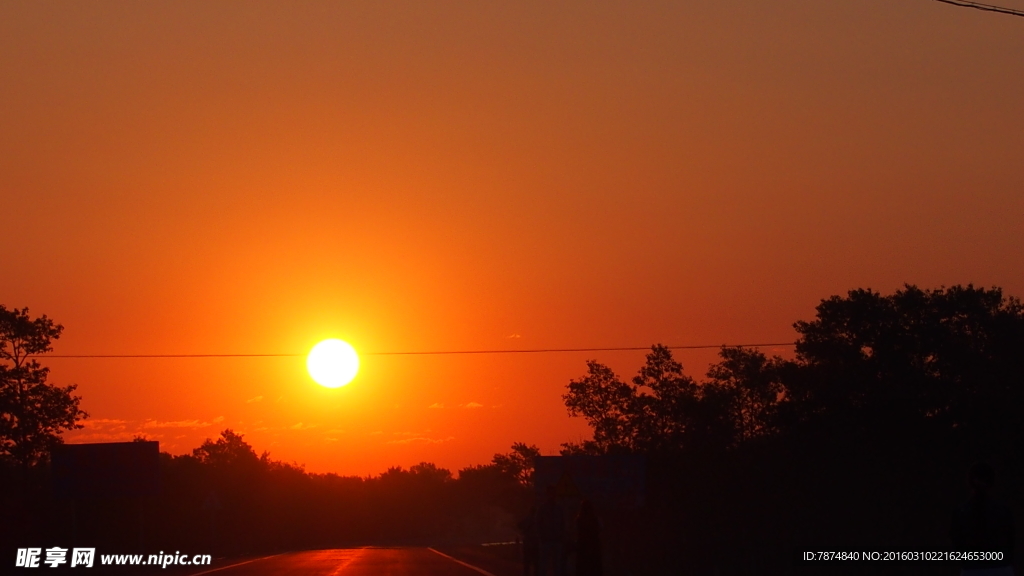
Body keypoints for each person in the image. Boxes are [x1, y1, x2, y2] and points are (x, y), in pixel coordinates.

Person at [951, 462, 1015, 576]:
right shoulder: (1004, 511)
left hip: (971, 569)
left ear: (968, 482)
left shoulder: (960, 512)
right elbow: (1012, 542)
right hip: (1001, 567)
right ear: (993, 483)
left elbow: (956, 543)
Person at [537, 486, 566, 576]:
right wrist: (541, 536)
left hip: (556, 540)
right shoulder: (542, 509)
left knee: (556, 565)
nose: (552, 496)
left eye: (553, 493)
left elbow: (563, 523)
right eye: (550, 493)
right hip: (546, 540)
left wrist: (562, 536)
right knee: (544, 565)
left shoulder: (559, 509)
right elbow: (538, 523)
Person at [575, 499, 602, 576]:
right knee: (593, 568)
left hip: (583, 546)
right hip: (593, 546)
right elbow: (601, 529)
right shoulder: (595, 519)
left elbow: (576, 530)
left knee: (583, 568)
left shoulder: (579, 519)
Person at [519, 505, 539, 576]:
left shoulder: (527, 519)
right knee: (536, 562)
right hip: (536, 542)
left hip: (528, 542)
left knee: (527, 561)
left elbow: (520, 525)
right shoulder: (538, 519)